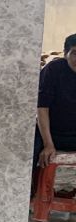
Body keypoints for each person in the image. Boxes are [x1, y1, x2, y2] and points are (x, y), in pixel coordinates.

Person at [35, 33, 76, 172]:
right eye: (75, 53)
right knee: (28, 155)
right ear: (65, 54)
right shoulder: (53, 70)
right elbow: (42, 108)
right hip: (51, 133)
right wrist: (48, 144)